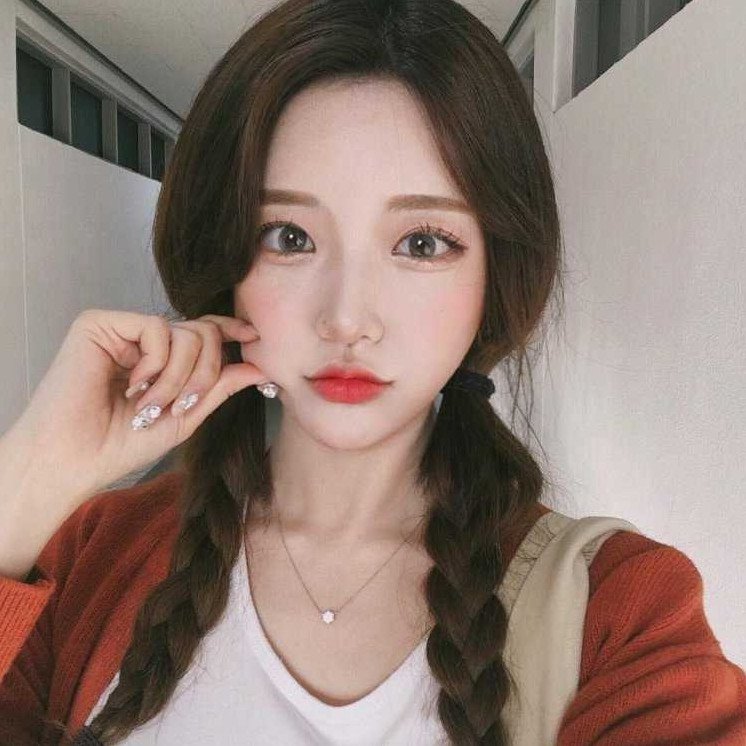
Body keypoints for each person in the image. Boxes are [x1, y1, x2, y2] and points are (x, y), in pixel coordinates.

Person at [1, 0, 745, 744]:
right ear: (227, 262)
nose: (347, 318)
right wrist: (28, 479)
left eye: (421, 243)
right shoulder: (94, 553)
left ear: (496, 272)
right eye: (289, 237)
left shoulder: (621, 613)